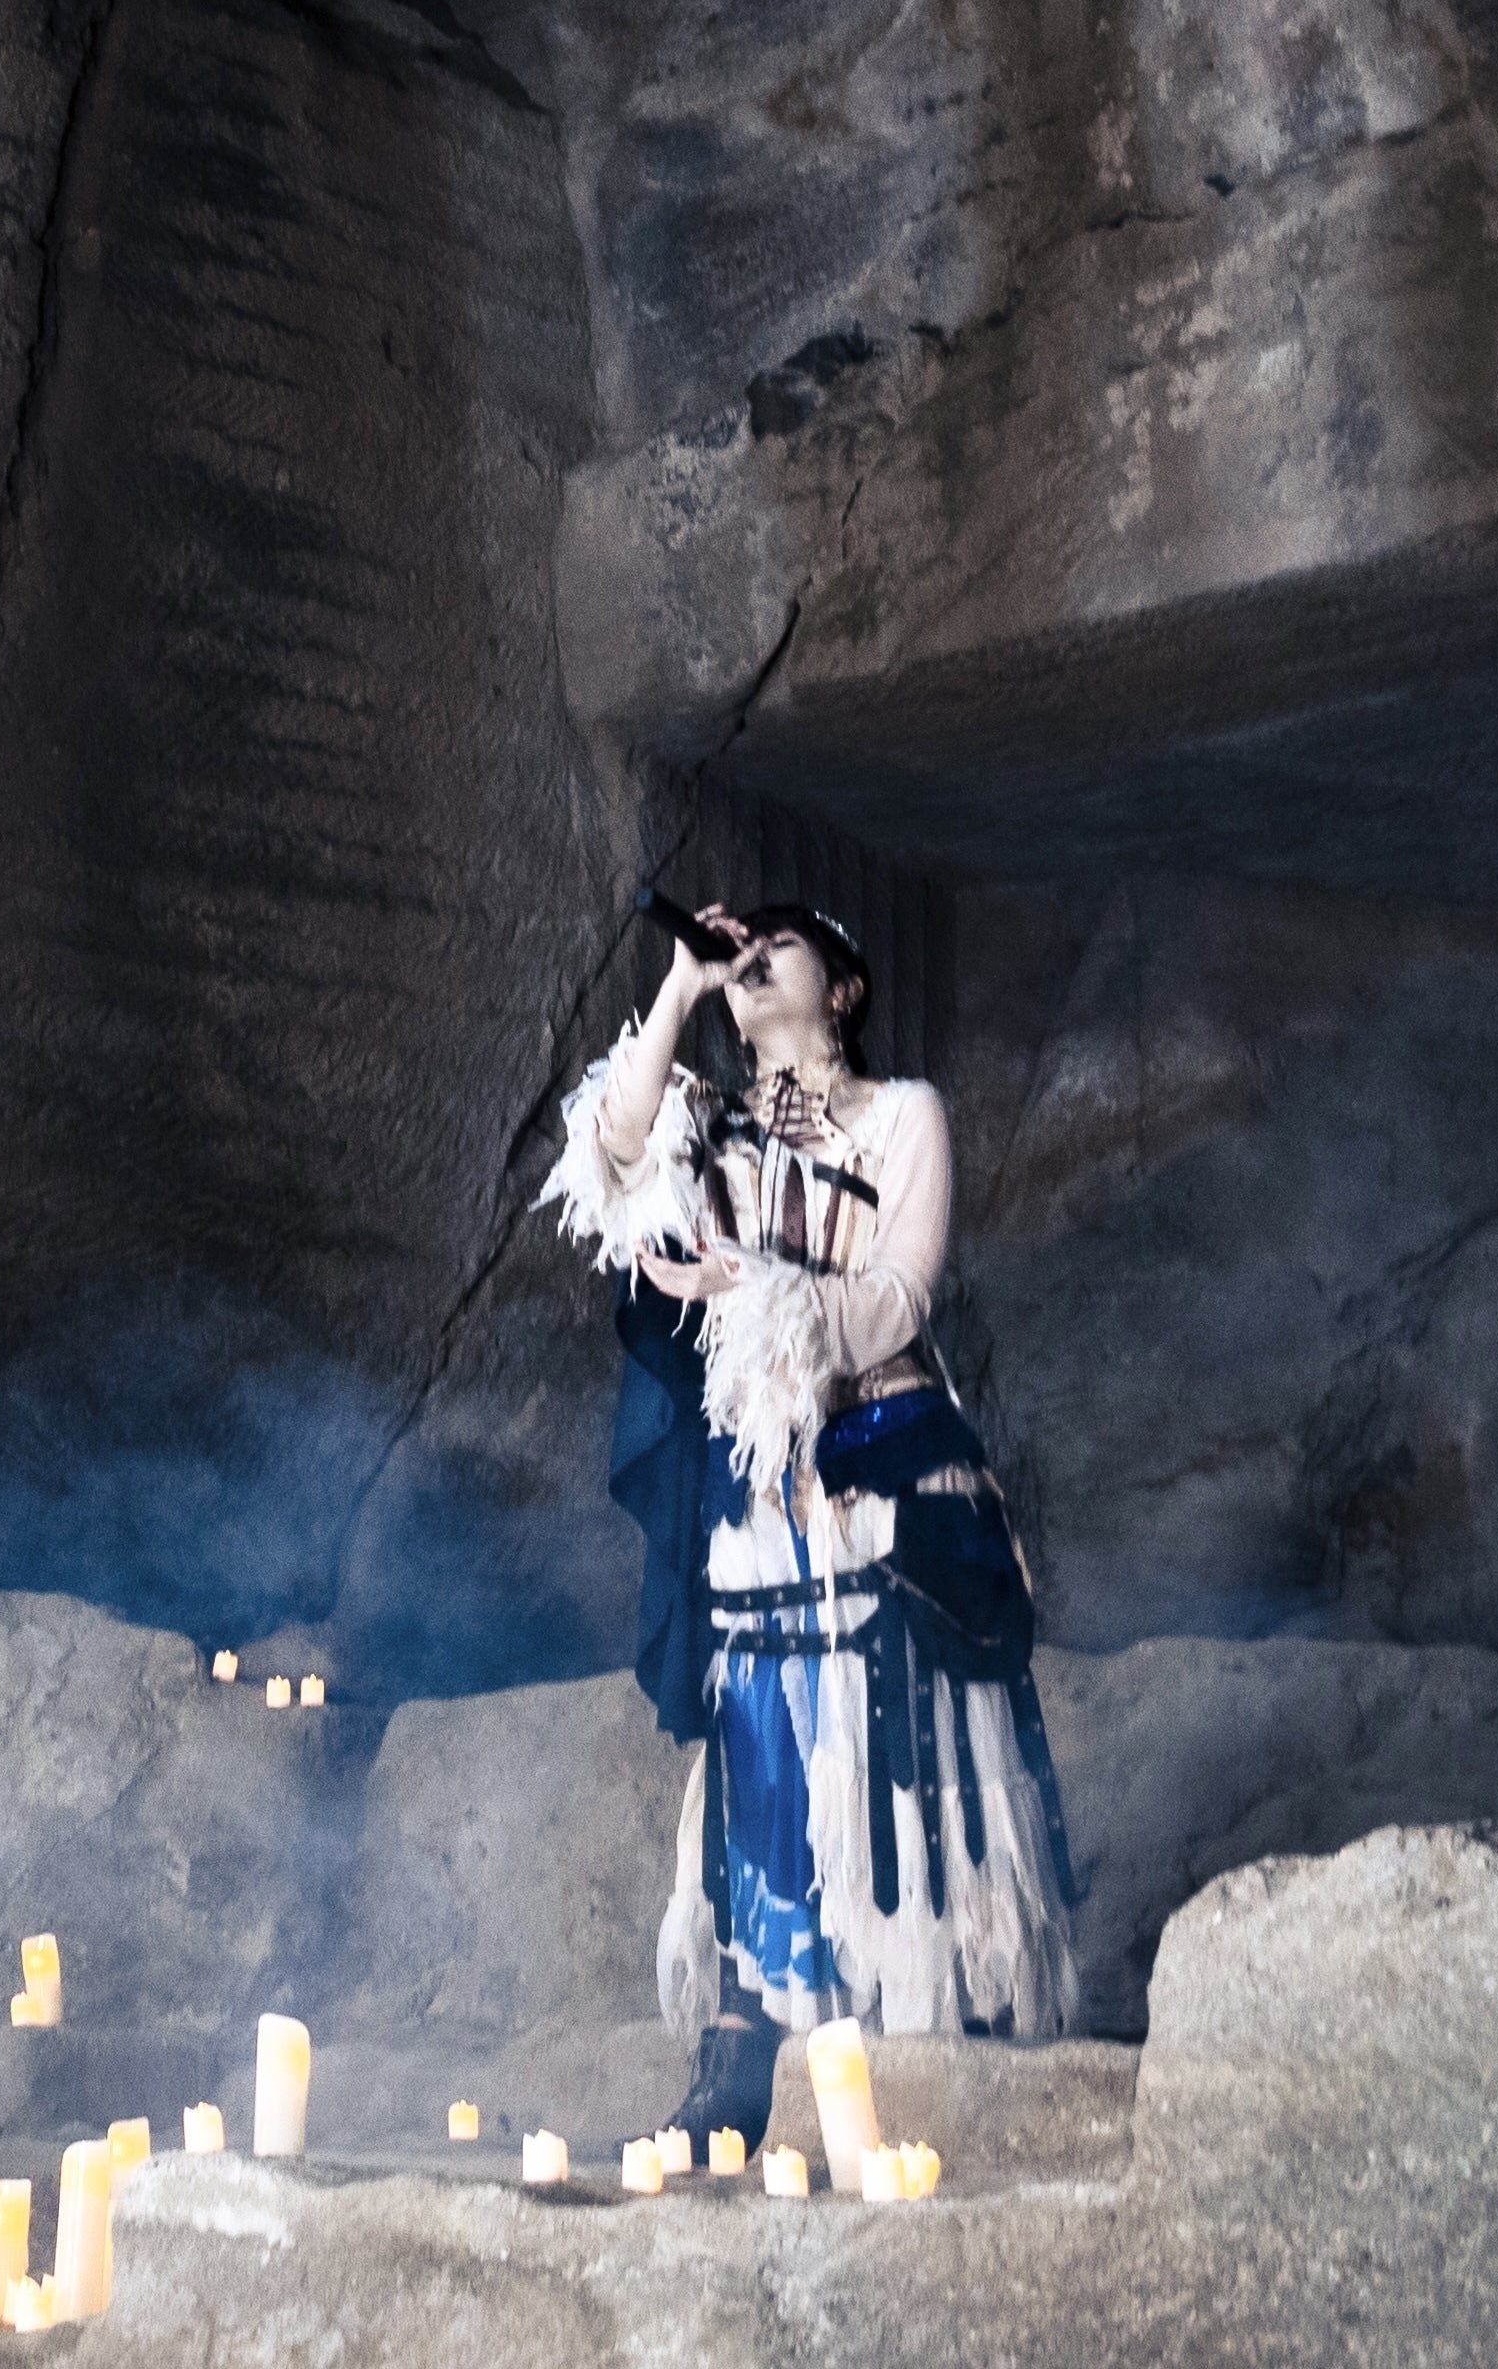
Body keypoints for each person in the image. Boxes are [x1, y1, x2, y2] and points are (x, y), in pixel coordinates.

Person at [542, 894, 1075, 2141]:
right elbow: (615, 1155)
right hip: (759, 1475)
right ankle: (739, 2065)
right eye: (740, 953)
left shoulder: (903, 1113)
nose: (751, 960)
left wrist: (762, 1290)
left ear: (842, 986)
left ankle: (928, 2046)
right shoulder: (713, 1121)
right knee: (762, 1739)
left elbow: (899, 1290)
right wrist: (680, 985)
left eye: (775, 946)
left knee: (900, 1736)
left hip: (885, 1455)